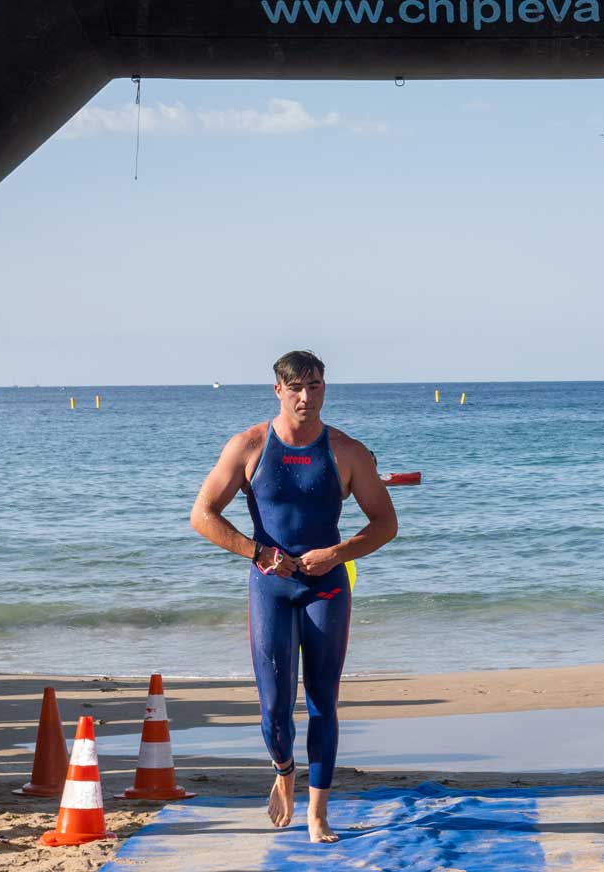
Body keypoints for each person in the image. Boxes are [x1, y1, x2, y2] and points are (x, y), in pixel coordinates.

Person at [189, 351, 398, 844]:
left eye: (317, 386)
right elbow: (202, 515)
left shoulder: (346, 451)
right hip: (271, 587)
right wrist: (258, 551)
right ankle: (284, 770)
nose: (308, 397)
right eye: (298, 388)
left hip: (326, 586)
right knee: (274, 709)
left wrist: (337, 552)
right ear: (278, 391)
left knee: (324, 702)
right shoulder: (249, 445)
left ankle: (319, 813)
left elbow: (385, 524)